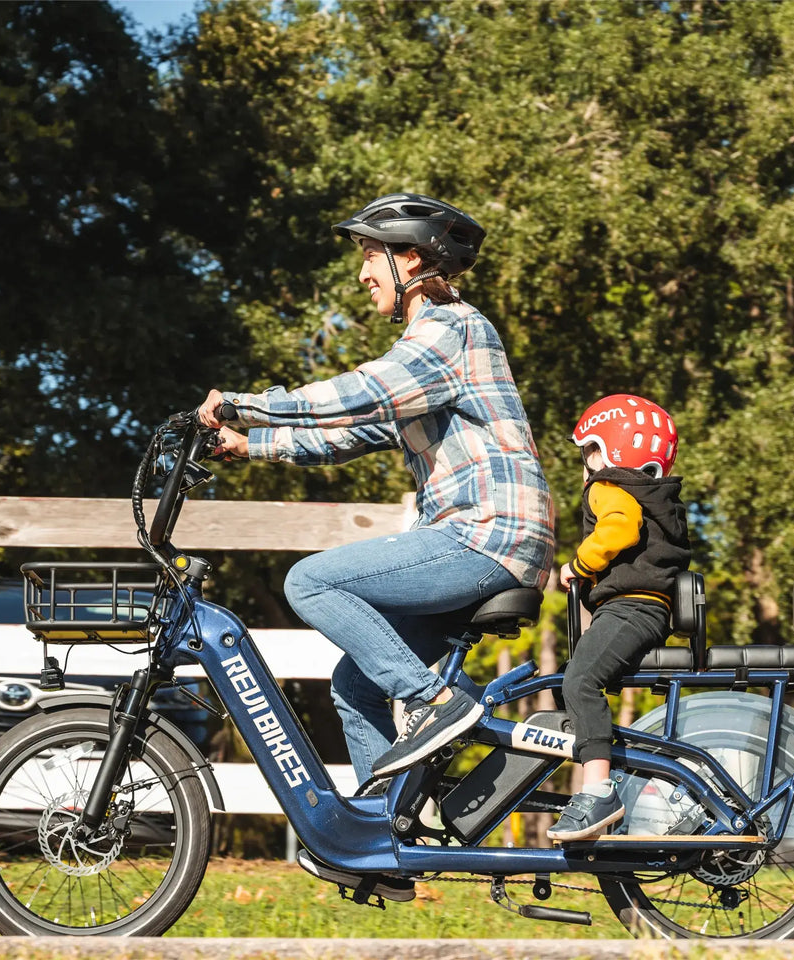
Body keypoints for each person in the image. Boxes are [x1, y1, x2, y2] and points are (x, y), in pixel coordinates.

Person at [198, 193, 555, 791]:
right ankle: (382, 839)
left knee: (310, 581)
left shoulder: (451, 330)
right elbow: (357, 430)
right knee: (357, 682)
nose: (363, 274)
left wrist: (248, 405)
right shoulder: (431, 349)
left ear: (411, 260)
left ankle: (433, 703)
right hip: (477, 538)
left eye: (370, 255)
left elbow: (362, 393)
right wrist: (247, 446)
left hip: (487, 534)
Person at [547, 394, 690, 842]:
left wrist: (578, 565)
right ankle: (646, 786)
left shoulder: (609, 486)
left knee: (579, 682)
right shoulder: (658, 497)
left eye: (586, 451)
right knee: (578, 693)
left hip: (631, 607)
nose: (584, 465)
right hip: (651, 610)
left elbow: (619, 529)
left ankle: (598, 793)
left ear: (603, 450)